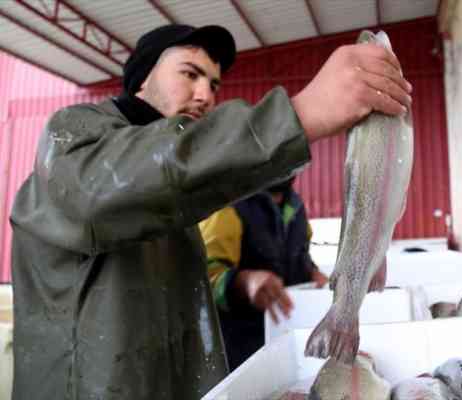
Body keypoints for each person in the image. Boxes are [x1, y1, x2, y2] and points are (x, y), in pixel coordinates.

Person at [9, 23, 412, 400]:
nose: (206, 94)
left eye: (214, 83)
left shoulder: (183, 193)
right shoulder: (74, 138)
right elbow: (112, 186)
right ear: (144, 75)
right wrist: (301, 115)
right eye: (189, 74)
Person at [199, 175, 328, 370]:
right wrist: (245, 281)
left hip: (286, 346)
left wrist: (313, 273)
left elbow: (302, 254)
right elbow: (202, 283)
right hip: (239, 358)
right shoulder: (227, 206)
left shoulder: (296, 205)